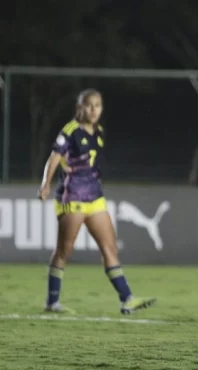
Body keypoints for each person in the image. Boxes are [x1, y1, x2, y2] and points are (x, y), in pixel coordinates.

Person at [37, 89, 156, 315]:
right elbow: (54, 157)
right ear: (79, 107)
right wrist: (45, 184)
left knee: (110, 247)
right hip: (72, 197)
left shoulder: (99, 131)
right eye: (89, 105)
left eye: (98, 105)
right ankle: (52, 301)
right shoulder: (70, 131)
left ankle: (127, 299)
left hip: (95, 197)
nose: (94, 110)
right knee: (64, 251)